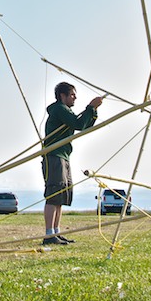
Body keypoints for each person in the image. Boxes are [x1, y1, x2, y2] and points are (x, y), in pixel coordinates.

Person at [41, 81, 102, 245]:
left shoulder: (65, 111)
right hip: (54, 155)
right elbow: (78, 123)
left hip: (64, 155)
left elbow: (84, 126)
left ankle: (56, 231)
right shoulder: (60, 109)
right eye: (72, 95)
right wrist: (90, 107)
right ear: (63, 96)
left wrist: (93, 111)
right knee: (53, 194)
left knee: (61, 196)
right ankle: (48, 234)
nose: (75, 98)